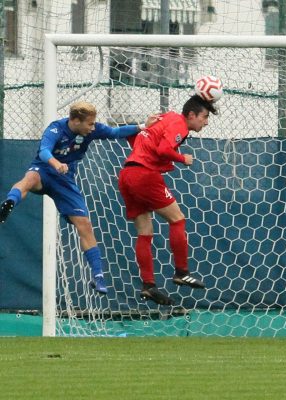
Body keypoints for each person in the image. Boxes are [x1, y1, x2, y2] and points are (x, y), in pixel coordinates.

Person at [0, 101, 157, 294]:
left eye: (93, 124)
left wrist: (143, 126)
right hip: (45, 170)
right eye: (89, 123)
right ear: (75, 120)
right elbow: (43, 151)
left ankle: (98, 276)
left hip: (65, 181)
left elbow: (115, 132)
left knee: (84, 224)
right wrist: (56, 163)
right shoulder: (55, 129)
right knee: (30, 178)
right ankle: (8, 203)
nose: (93, 127)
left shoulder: (91, 131)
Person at [118, 94, 217, 305]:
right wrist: (183, 159)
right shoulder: (180, 125)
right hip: (145, 174)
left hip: (127, 174)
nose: (206, 122)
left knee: (144, 232)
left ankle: (148, 286)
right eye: (205, 117)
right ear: (191, 115)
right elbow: (163, 149)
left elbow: (136, 137)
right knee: (178, 219)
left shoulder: (166, 117)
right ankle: (181, 272)